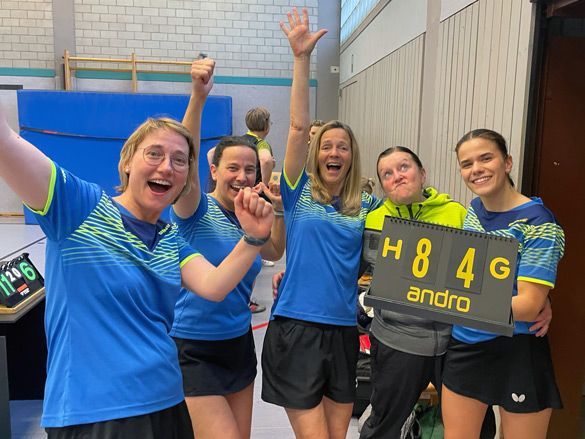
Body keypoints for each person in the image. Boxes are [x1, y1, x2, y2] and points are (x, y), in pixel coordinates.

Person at [0, 58, 273, 438]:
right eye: (154, 154)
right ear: (127, 162)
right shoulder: (78, 207)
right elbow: (6, 143)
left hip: (167, 405)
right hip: (94, 414)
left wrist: (253, 238)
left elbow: (213, 286)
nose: (167, 167)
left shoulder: (170, 239)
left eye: (180, 161)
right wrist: (197, 97)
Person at [261, 9, 380, 439]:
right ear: (316, 153)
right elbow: (297, 128)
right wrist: (301, 59)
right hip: (297, 329)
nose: (334, 152)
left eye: (342, 147)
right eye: (327, 145)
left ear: (351, 156)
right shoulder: (297, 193)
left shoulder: (366, 205)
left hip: (344, 331)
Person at [170, 68, 285, 439]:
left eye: (250, 170)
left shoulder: (248, 214)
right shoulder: (195, 208)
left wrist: (277, 210)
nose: (242, 176)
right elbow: (185, 161)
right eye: (233, 168)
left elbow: (274, 248)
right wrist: (198, 97)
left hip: (238, 342)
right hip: (194, 347)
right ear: (214, 170)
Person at [441, 129, 564, 439]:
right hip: (466, 343)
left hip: (517, 348)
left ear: (507, 162)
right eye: (467, 163)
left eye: (486, 158)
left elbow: (528, 307)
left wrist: (452, 303)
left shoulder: (539, 222)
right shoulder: (474, 210)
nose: (476, 169)